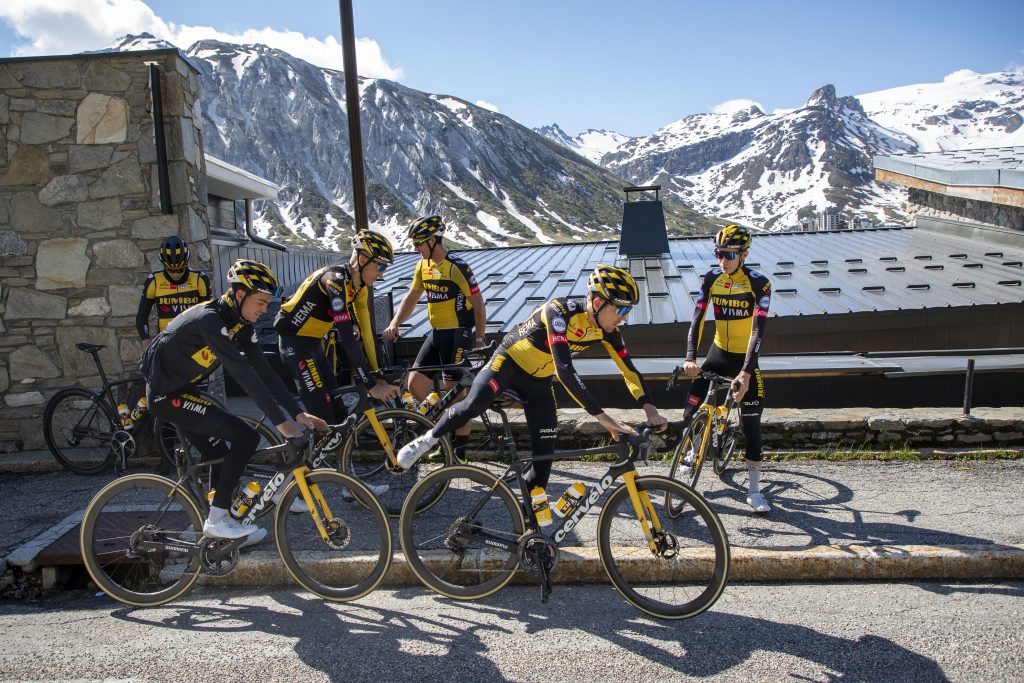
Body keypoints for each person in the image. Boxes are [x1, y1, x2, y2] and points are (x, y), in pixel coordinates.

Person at [396, 264, 668, 511]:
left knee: (544, 456)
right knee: (474, 403)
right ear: (597, 303)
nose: (624, 318)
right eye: (621, 310)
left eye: (627, 311)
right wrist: (602, 418)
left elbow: (629, 371)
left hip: (537, 383)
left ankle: (528, 522)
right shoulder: (559, 312)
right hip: (507, 364)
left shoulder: (608, 332)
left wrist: (651, 411)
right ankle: (427, 440)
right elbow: (565, 369)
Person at [141, 259, 327, 541]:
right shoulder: (210, 320)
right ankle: (217, 521)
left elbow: (264, 371)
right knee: (246, 437)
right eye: (260, 302)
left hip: (183, 391)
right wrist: (281, 423)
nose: (264, 310)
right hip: (166, 397)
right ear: (240, 295)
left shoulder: (239, 323)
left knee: (218, 454)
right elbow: (243, 374)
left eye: (267, 304)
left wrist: (297, 413)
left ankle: (220, 525)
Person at [274, 230, 400, 482]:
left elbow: (364, 333)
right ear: (362, 259)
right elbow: (345, 337)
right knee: (322, 420)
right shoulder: (334, 280)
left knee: (340, 419)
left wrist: (376, 372)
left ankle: (349, 484)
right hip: (295, 345)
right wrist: (370, 384)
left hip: (312, 344)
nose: (382, 274)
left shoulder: (357, 286)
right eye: (380, 266)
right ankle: (289, 487)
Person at [680, 224, 772, 513]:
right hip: (718, 353)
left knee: (752, 426)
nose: (724, 260)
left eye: (730, 254)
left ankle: (754, 491)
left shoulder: (759, 284)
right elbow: (697, 319)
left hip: (744, 359)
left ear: (744, 255)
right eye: (719, 254)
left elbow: (758, 331)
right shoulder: (711, 279)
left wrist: (746, 372)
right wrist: (691, 357)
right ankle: (693, 450)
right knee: (689, 412)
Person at [383, 215, 486, 463]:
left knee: (456, 394)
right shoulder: (422, 265)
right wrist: (395, 322)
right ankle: (443, 437)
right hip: (437, 333)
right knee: (415, 385)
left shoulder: (457, 267)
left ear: (433, 240)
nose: (415, 248)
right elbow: (412, 297)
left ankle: (459, 455)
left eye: (419, 242)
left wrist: (480, 338)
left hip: (458, 334)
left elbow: (478, 304)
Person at [136, 236, 212, 353]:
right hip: (166, 342)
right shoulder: (154, 280)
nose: (176, 274)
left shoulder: (200, 279)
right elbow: (142, 315)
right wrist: (145, 339)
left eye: (180, 269)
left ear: (186, 263)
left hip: (195, 343)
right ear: (164, 266)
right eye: (171, 270)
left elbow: (208, 314)